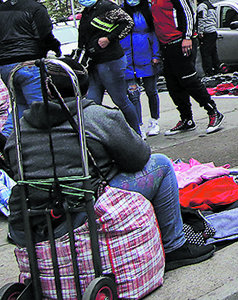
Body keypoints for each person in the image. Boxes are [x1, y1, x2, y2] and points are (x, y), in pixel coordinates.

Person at [5, 59, 215, 270]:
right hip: (83, 212)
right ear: (84, 89)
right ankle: (175, 247)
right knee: (161, 164)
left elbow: (16, 170)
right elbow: (139, 158)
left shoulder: (21, 125)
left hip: (31, 221)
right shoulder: (97, 115)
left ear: (47, 90)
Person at [139, 0, 224, 136]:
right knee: (173, 84)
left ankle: (213, 112)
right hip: (167, 46)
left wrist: (187, 37)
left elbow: (186, 11)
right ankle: (186, 118)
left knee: (189, 80)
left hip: (179, 42)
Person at [0, 0, 61, 141]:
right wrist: (55, 49)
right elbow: (45, 36)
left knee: (19, 106)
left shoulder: (2, 8)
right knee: (40, 109)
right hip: (28, 64)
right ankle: (47, 147)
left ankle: (6, 140)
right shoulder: (36, 8)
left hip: (5, 66)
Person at [76, 0, 138, 134]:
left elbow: (128, 23)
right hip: (93, 63)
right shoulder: (86, 13)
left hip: (110, 60)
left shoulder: (106, 7)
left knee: (120, 99)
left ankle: (136, 132)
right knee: (92, 102)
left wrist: (109, 38)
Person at [121, 0, 162, 138]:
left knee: (151, 91)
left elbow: (154, 34)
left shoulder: (148, 10)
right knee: (133, 94)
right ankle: (137, 125)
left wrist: (156, 55)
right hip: (128, 60)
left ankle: (154, 120)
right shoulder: (121, 12)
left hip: (147, 57)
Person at [195, 0, 223, 76]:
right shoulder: (211, 5)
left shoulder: (202, 6)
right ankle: (217, 69)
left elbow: (201, 19)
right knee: (213, 52)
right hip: (213, 31)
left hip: (206, 32)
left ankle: (209, 72)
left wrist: (200, 32)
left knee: (206, 53)